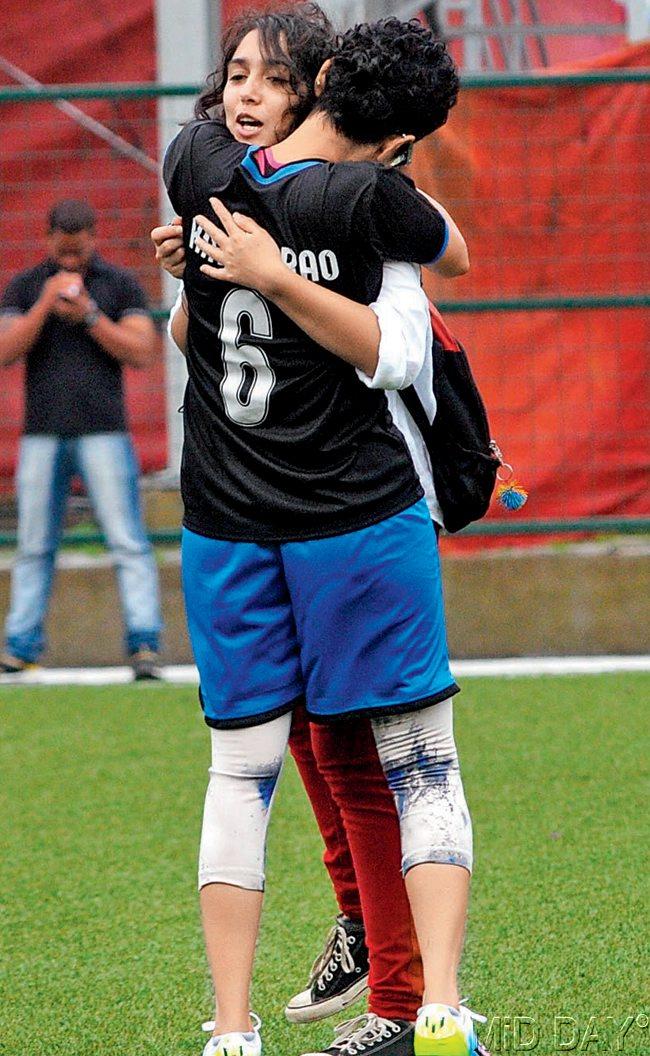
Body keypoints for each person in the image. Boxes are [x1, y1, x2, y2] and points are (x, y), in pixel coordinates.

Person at [164, 10, 483, 1056]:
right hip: (345, 511)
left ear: (324, 80)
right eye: (236, 74)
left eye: (268, 75)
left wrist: (237, 266)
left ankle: (264, 1019)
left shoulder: (197, 163)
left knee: (274, 763)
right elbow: (423, 307)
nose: (242, 92)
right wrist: (248, 275)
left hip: (237, 519)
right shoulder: (373, 201)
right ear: (403, 143)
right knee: (396, 759)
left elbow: (384, 342)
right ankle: (423, 993)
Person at [0, 199, 163, 681]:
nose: (71, 256)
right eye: (63, 247)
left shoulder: (116, 285)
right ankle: (21, 645)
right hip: (41, 434)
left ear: (94, 237)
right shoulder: (27, 287)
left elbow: (142, 351)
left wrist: (90, 315)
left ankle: (145, 644)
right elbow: (6, 350)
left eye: (79, 246)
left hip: (105, 432)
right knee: (33, 544)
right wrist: (47, 305)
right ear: (48, 239)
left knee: (128, 541)